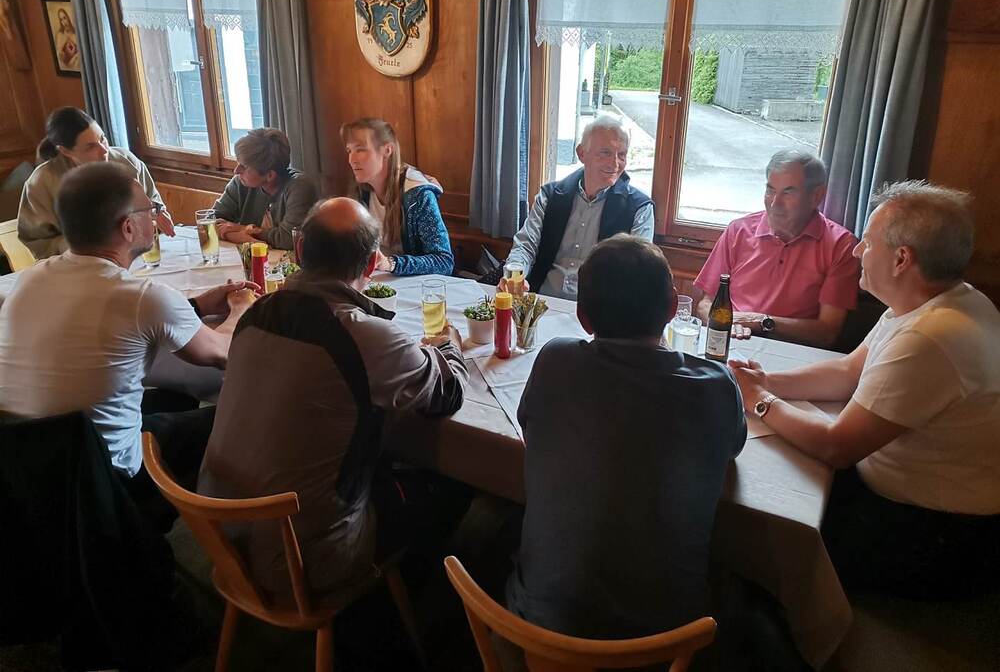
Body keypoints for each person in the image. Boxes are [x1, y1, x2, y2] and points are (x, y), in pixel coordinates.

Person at [729, 181, 1000, 599]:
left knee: (756, 543)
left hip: (933, 527)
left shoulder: (932, 336)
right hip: (890, 489)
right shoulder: (929, 302)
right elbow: (848, 371)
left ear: (901, 259)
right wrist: (765, 383)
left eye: (868, 242)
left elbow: (836, 446)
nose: (857, 251)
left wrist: (761, 402)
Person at [198, 197, 469, 597]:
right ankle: (391, 609)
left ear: (300, 249)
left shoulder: (257, 312)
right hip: (301, 563)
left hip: (221, 537)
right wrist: (449, 346)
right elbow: (447, 393)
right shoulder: (362, 334)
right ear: (372, 263)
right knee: (454, 483)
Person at [506, 234, 746, 640]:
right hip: (663, 647)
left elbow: (531, 428)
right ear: (672, 308)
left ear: (582, 317)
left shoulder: (554, 360)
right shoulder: (717, 385)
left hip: (543, 634)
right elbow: (732, 447)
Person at [0, 162, 258, 514]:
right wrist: (241, 306)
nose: (155, 216)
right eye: (151, 209)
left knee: (173, 394)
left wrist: (196, 306)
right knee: (235, 414)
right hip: (107, 481)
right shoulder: (142, 297)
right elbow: (225, 352)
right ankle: (230, 523)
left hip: (26, 473)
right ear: (128, 227)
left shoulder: (29, 280)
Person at [695, 150, 858, 348]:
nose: (774, 203)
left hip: (792, 351)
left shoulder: (841, 245)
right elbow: (705, 304)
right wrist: (729, 323)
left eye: (788, 193)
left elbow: (827, 332)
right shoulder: (738, 231)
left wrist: (761, 322)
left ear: (817, 196)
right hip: (730, 340)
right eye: (770, 190)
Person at [502, 115, 653, 301]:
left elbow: (639, 272)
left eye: (621, 155)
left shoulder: (639, 209)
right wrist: (514, 276)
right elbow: (526, 246)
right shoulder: (550, 196)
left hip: (598, 311)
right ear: (582, 153)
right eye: (605, 152)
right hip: (541, 302)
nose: (615, 164)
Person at [18, 106, 175, 259]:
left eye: (102, 139)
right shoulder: (42, 183)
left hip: (135, 255)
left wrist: (156, 212)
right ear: (66, 151)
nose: (104, 150)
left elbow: (153, 200)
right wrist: (88, 245)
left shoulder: (126, 161)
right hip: (78, 264)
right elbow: (38, 241)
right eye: (91, 147)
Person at [342, 117, 454, 276]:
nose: (352, 159)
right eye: (349, 151)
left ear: (387, 150)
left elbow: (444, 262)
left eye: (360, 150)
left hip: (415, 285)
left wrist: (391, 264)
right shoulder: (360, 192)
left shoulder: (418, 195)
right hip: (374, 281)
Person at [212, 127, 318, 250]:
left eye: (244, 166)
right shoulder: (240, 183)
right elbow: (210, 221)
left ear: (270, 175)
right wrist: (238, 236)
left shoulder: (300, 187)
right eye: (238, 162)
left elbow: (289, 239)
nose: (236, 171)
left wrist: (244, 229)